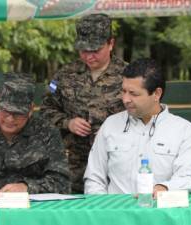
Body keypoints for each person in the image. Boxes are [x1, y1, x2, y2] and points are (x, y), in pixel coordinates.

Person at [84, 58, 191, 195]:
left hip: (160, 213)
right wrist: (104, 210)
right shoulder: (110, 124)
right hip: (116, 213)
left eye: (133, 93)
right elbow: (94, 178)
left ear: (157, 94)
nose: (125, 99)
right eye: (124, 91)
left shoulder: (184, 130)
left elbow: (188, 178)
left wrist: (163, 188)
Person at [40, 13, 127, 193]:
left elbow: (143, 116)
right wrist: (67, 123)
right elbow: (45, 110)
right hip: (74, 167)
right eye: (83, 50)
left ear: (111, 43)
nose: (88, 56)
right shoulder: (65, 75)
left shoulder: (129, 75)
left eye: (95, 50)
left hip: (117, 166)